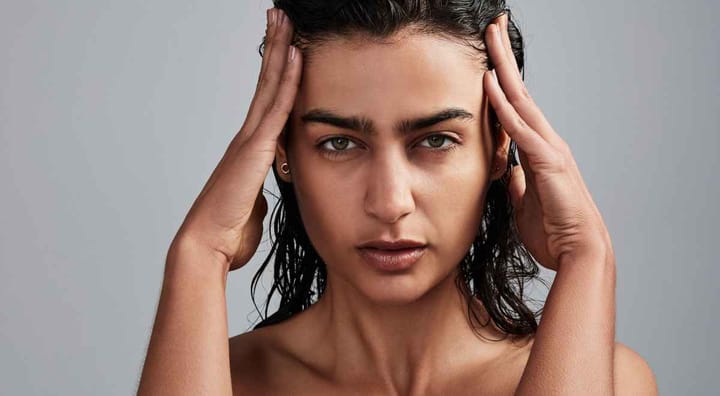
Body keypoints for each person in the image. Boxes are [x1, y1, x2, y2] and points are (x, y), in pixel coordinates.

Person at [137, 1, 658, 394]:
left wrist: (586, 256)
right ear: (280, 152)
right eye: (339, 143)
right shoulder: (219, 380)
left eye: (435, 140)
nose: (389, 203)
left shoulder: (611, 382)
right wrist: (197, 255)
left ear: (502, 146)